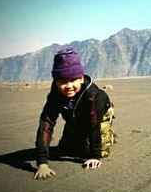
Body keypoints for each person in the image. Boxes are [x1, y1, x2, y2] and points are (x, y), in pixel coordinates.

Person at [34, 47, 115, 180]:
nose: (68, 86)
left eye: (73, 80)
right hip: (74, 115)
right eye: (62, 81)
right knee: (66, 149)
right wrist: (42, 162)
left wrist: (94, 156)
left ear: (81, 79)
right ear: (55, 81)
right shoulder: (55, 95)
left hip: (100, 115)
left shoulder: (93, 96)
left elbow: (94, 125)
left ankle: (108, 137)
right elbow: (46, 123)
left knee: (93, 150)